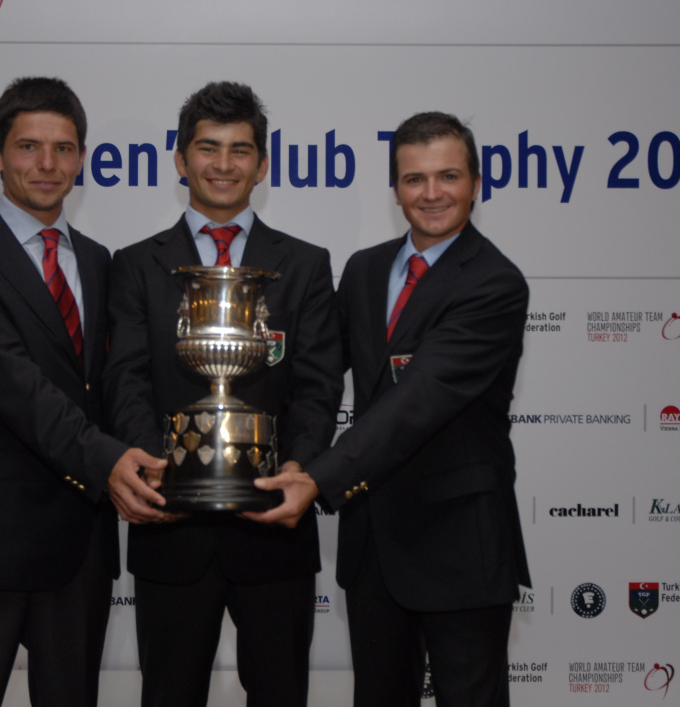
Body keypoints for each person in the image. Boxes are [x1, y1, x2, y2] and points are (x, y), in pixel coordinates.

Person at [255, 112, 531, 706]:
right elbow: (315, 370)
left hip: (459, 543)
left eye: (448, 176)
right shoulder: (366, 269)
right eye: (414, 179)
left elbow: (418, 401)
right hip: (375, 542)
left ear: (476, 184)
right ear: (396, 188)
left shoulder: (495, 283)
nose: (431, 193)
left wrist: (317, 477)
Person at [0, 77, 166, 707]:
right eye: (29, 147)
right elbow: (15, 385)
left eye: (64, 148)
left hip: (80, 540)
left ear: (81, 159)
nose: (48, 164)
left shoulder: (100, 260)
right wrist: (110, 461)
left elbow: (115, 382)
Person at [106, 81, 343, 707]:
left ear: (262, 165)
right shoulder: (135, 264)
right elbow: (125, 378)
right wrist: (155, 468)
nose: (223, 164)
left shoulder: (305, 264)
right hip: (169, 528)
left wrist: (297, 468)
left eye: (240, 150)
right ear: (180, 159)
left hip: (274, 527)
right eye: (208, 148)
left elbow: (319, 386)